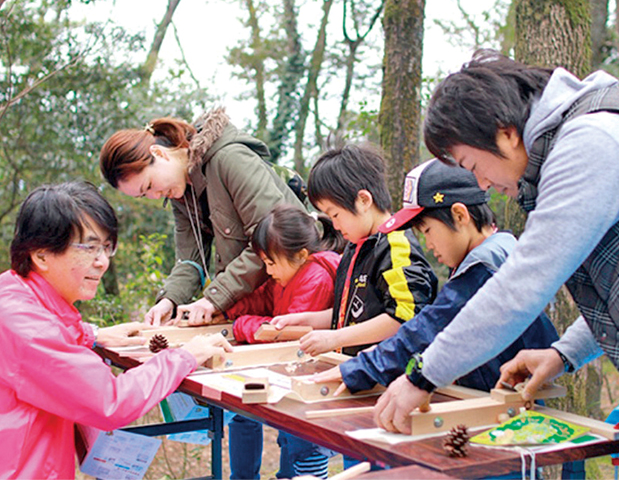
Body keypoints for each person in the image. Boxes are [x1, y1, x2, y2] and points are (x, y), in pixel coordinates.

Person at [372, 50, 619, 479]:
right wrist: (563, 354)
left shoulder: (591, 142)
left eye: (472, 165)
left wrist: (421, 376)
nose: (482, 183)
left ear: (505, 135)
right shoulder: (586, 139)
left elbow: (522, 286)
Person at [0, 182, 232, 479]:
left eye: (106, 247)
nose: (102, 262)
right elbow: (112, 401)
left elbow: (29, 348)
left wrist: (91, 334)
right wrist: (187, 355)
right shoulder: (30, 331)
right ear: (41, 254)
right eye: (88, 248)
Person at [313, 158, 558, 397]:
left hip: (502, 405)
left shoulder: (483, 269)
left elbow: (427, 329)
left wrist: (362, 368)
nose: (428, 245)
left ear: (460, 216)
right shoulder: (494, 254)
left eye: (428, 231)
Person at [99, 107, 306, 327]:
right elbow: (190, 259)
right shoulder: (180, 193)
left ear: (158, 153)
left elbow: (275, 239)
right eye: (144, 195)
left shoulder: (230, 159)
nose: (154, 196)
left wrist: (213, 298)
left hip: (304, 288)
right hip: (258, 304)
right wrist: (169, 300)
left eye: (149, 185)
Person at [272, 144, 438, 357]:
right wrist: (306, 320)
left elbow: (406, 317)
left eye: (335, 214)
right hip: (352, 370)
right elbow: (352, 313)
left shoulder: (397, 245)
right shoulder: (354, 247)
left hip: (386, 375)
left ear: (363, 200)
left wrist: (335, 338)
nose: (335, 225)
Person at [221, 204, 344, 480]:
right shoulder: (286, 277)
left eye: (270, 262)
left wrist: (241, 324)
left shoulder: (315, 279)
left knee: (302, 446)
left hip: (307, 383)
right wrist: (228, 307)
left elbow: (282, 330)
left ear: (300, 255)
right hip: (288, 376)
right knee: (278, 431)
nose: (268, 270)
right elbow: (264, 298)